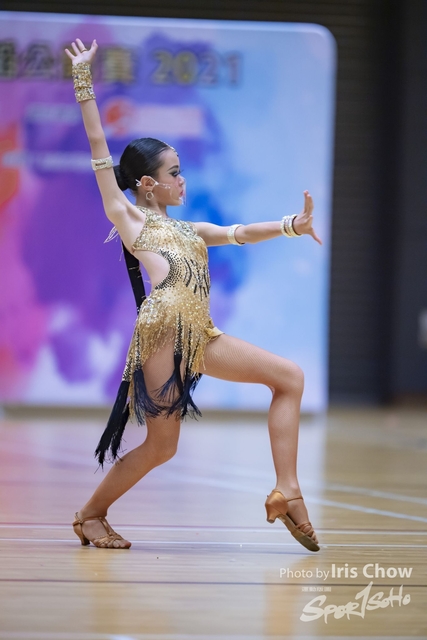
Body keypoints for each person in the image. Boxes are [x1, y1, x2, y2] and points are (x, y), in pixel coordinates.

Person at [65, 38, 323, 552]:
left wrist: (292, 225)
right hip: (163, 331)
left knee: (289, 378)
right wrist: (82, 79)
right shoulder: (129, 217)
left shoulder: (190, 229)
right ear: (147, 184)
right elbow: (98, 148)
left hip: (199, 333)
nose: (183, 180)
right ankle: (90, 515)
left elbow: (240, 233)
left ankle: (287, 489)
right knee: (163, 446)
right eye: (174, 173)